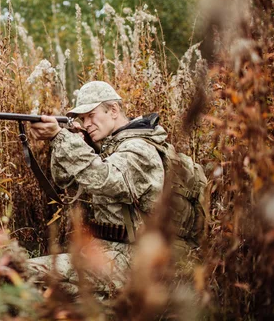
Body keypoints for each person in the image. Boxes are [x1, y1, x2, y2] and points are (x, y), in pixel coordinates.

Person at [26, 80, 170, 298]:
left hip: (133, 259)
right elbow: (65, 180)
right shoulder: (111, 147)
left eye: (91, 115)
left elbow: (106, 179)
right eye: (82, 119)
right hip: (105, 251)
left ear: (113, 110)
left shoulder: (139, 149)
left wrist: (61, 137)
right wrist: (69, 140)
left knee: (23, 273)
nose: (87, 123)